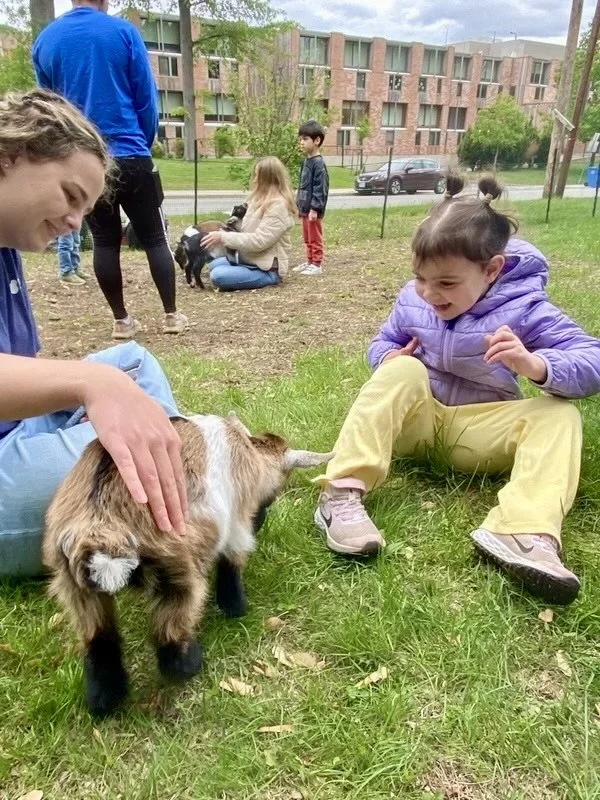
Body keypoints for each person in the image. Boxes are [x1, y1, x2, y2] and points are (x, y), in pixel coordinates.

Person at [314, 174, 600, 606]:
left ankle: (522, 531)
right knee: (403, 370)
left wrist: (536, 364)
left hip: (477, 435)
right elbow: (382, 341)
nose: (429, 293)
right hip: (416, 425)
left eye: (446, 283)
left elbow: (592, 359)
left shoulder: (526, 306)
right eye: (420, 278)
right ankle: (341, 495)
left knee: (560, 413)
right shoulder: (414, 299)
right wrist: (387, 357)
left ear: (492, 269)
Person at [0, 89, 187, 579]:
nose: (75, 222)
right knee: (125, 427)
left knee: (132, 361)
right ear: (12, 155)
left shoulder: (6, 248)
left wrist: (101, 391)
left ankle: (174, 483)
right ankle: (187, 494)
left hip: (14, 431)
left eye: (85, 207)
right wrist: (92, 386)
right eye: (70, 195)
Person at [32, 0, 188, 339]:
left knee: (104, 241)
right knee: (154, 237)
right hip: (131, 150)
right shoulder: (123, 33)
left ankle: (121, 320)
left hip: (82, 158)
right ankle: (172, 315)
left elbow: (48, 109)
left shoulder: (46, 41)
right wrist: (143, 144)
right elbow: (146, 99)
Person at [202, 156, 296, 292]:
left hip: (266, 268)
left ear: (267, 179)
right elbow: (247, 229)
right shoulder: (258, 199)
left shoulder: (279, 206)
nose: (254, 180)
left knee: (218, 276)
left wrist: (223, 237)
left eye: (257, 176)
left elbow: (259, 241)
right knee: (213, 265)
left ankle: (270, 278)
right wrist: (225, 228)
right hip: (250, 260)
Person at [293, 119, 329, 277]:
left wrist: (315, 208)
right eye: (300, 139)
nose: (301, 142)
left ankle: (317, 263)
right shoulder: (306, 161)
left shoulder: (318, 164)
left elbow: (320, 188)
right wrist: (297, 203)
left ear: (317, 140)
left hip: (313, 209)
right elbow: (302, 185)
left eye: (305, 139)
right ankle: (309, 261)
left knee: (314, 237)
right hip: (304, 207)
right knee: (307, 237)